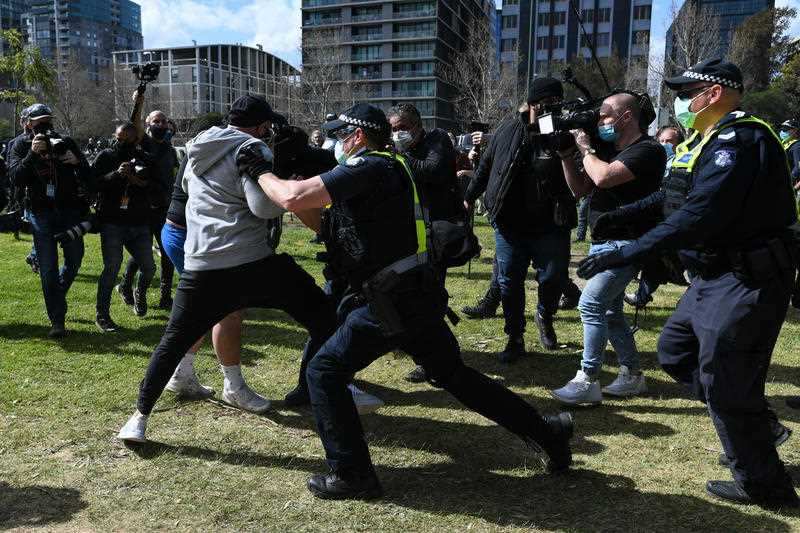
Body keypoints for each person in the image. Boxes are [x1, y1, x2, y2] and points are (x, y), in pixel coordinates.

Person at [242, 103, 574, 500]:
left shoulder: (370, 167)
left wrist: (261, 172)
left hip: (390, 300)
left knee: (324, 372)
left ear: (358, 137)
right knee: (455, 376)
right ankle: (548, 432)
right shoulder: (386, 168)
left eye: (339, 136)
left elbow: (293, 198)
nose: (335, 144)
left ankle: (352, 474)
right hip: (411, 294)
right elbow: (325, 222)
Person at [576, 59, 799, 508]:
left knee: (724, 379)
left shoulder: (742, 139)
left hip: (746, 277)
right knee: (676, 353)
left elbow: (699, 216)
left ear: (713, 94)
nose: (679, 101)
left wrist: (626, 252)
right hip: (713, 277)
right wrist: (620, 217)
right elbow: (676, 195)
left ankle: (764, 483)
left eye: (686, 91)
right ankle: (755, 424)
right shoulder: (706, 141)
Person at [117, 95, 338, 442]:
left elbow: (191, 190)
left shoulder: (197, 149)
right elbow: (262, 208)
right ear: (263, 126)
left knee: (173, 340)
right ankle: (339, 384)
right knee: (322, 312)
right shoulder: (252, 148)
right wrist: (282, 183)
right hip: (248, 259)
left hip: (201, 261)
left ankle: (138, 418)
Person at [550, 92, 666, 404]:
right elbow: (581, 189)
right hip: (602, 241)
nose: (600, 121)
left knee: (590, 304)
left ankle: (587, 379)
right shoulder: (608, 150)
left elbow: (602, 177)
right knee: (612, 313)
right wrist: (566, 156)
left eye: (604, 115)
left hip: (627, 243)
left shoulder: (648, 150)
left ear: (626, 117)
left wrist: (586, 149)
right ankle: (632, 375)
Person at [463, 78, 577, 361]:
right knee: (509, 282)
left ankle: (544, 315)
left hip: (550, 223)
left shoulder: (560, 132)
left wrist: (561, 138)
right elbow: (486, 166)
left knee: (552, 277)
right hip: (509, 223)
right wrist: (469, 195)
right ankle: (514, 337)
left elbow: (573, 170)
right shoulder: (508, 129)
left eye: (555, 103)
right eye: (544, 103)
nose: (549, 108)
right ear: (531, 103)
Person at [154, 153, 271, 412]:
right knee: (228, 310)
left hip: (183, 234)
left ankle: (181, 375)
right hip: (191, 237)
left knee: (204, 308)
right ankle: (234, 386)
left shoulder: (207, 147)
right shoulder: (229, 150)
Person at [387, 102, 462, 381]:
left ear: (417, 125)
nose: (397, 134)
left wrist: (400, 155)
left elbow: (433, 171)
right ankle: (425, 348)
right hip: (408, 235)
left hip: (434, 236)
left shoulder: (437, 140)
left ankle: (435, 358)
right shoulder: (399, 149)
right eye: (393, 130)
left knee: (429, 295)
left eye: (402, 128)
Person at [7, 103, 91, 338]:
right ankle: (57, 319)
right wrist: (32, 154)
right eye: (38, 121)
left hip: (69, 210)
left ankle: (56, 295)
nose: (44, 125)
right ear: (27, 123)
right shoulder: (19, 145)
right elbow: (15, 178)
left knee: (74, 260)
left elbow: (88, 174)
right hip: (40, 212)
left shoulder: (64, 141)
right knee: (48, 267)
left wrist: (76, 162)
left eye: (47, 120)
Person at [91, 122, 157, 331]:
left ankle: (138, 292)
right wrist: (116, 175)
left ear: (136, 140)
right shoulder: (107, 156)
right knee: (111, 268)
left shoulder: (144, 158)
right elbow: (92, 184)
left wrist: (136, 179)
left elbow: (154, 185)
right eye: (119, 139)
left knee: (149, 267)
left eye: (127, 140)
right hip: (113, 222)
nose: (122, 144)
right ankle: (102, 315)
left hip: (139, 221)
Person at [118, 106, 178, 310]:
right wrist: (139, 101)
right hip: (143, 207)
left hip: (164, 207)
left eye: (164, 121)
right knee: (141, 253)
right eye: (156, 121)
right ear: (147, 124)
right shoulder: (141, 144)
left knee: (167, 252)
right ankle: (126, 285)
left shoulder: (170, 150)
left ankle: (165, 296)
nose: (161, 125)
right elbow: (132, 125)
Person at [623, 125, 686, 309]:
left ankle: (693, 298)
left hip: (675, 219)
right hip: (655, 218)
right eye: (662, 141)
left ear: (678, 144)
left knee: (683, 262)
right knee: (655, 260)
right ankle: (642, 296)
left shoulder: (682, 162)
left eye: (670, 141)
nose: (665, 144)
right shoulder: (649, 160)